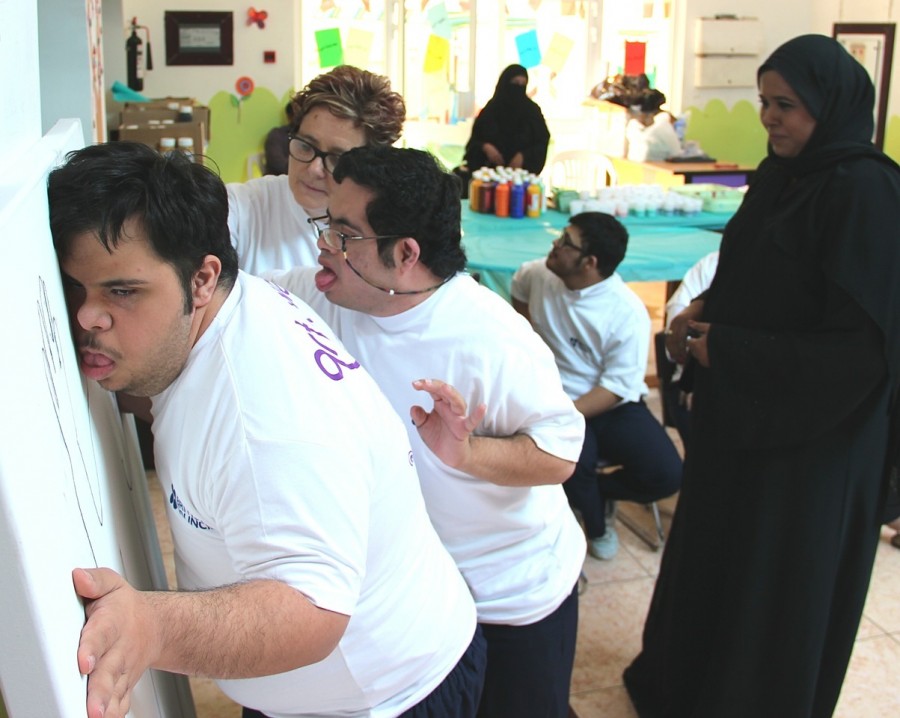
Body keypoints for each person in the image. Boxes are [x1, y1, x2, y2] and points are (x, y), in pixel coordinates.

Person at [48, 142, 485, 718]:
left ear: (202, 279)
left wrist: (150, 626)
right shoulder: (235, 305)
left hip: (388, 698)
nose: (87, 316)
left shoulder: (265, 421)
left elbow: (311, 611)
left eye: (122, 292)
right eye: (75, 288)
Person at [623, 34, 900, 717]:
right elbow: (757, 274)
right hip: (743, 419)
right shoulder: (782, 176)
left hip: (814, 443)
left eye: (786, 105)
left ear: (830, 106)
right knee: (718, 562)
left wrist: (730, 349)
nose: (769, 118)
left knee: (773, 584)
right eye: (763, 102)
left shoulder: (866, 191)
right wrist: (704, 311)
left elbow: (859, 349)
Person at [265, 145, 586, 718]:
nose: (323, 244)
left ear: (405, 253)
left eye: (344, 233)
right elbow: (231, 302)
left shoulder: (491, 337)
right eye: (326, 224)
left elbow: (559, 456)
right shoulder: (318, 296)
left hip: (506, 595)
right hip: (418, 601)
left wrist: (467, 453)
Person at [510, 212, 683, 561]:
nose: (555, 244)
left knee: (667, 474)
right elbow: (519, 292)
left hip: (609, 404)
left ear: (589, 263)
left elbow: (615, 387)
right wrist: (529, 341)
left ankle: (602, 494)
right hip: (554, 397)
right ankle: (596, 527)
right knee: (573, 464)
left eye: (566, 242)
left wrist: (566, 414)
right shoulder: (538, 274)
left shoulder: (625, 312)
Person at [227, 65, 405, 274]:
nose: (313, 169)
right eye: (305, 146)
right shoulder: (242, 206)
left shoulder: (385, 234)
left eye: (337, 159)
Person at [461, 64, 550, 174]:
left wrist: (524, 156)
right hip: (488, 174)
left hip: (521, 176)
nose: (518, 88)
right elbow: (474, 141)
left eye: (523, 84)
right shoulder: (491, 110)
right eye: (515, 83)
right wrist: (485, 147)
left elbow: (541, 141)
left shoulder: (532, 111)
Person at [624, 89, 682, 162]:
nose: (632, 116)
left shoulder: (662, 126)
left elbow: (675, 153)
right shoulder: (634, 125)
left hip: (657, 166)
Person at [262, 101, 294, 176]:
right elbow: (277, 163)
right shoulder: (277, 135)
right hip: (278, 179)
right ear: (289, 117)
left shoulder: (308, 136)